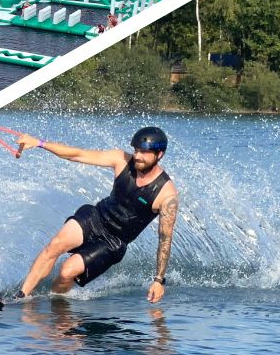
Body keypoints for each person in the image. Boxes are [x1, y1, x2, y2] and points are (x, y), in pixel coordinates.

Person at [13, 127, 179, 303]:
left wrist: (159, 281)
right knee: (55, 245)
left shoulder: (166, 195)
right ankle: (21, 297)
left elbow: (165, 239)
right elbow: (77, 154)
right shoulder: (121, 160)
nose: (138, 156)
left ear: (159, 155)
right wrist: (39, 143)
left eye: (144, 153)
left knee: (66, 272)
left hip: (113, 242)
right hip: (95, 217)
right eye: (136, 150)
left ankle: (56, 306)